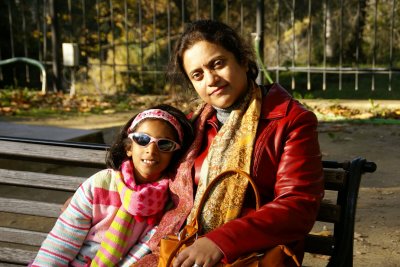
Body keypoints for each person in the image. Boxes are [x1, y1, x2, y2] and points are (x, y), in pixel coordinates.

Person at [133, 19, 324, 267]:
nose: (211, 79)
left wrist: (220, 241)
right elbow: (155, 176)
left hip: (252, 255)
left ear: (243, 61)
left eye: (218, 64)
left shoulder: (290, 120)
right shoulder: (195, 126)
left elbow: (298, 205)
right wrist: (96, 194)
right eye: (197, 75)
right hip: (184, 248)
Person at [31, 104, 194, 267]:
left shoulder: (169, 204)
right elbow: (61, 243)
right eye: (142, 140)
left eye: (164, 144)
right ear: (128, 147)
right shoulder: (99, 185)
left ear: (175, 154)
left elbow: (138, 255)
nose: (151, 150)